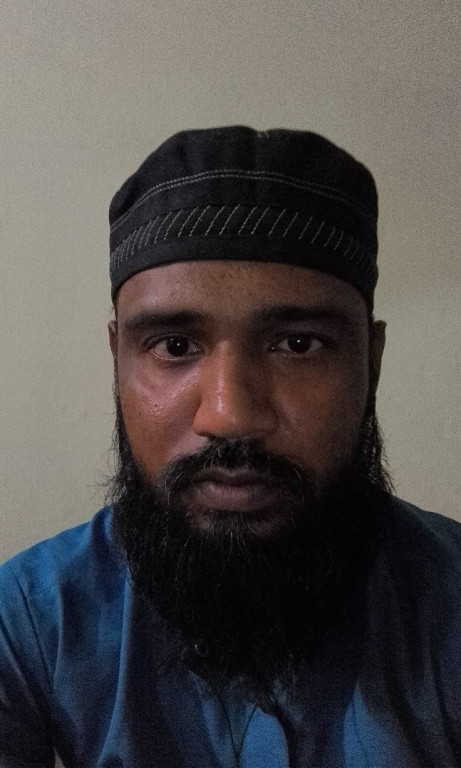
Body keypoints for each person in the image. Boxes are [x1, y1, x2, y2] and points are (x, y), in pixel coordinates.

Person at [1, 126, 460, 768]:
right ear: (117, 359)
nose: (230, 414)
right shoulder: (27, 618)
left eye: (298, 344)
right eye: (175, 346)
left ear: (372, 360)